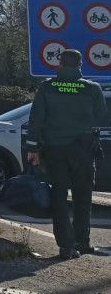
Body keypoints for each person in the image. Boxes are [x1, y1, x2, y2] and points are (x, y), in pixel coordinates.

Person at [27, 49, 106, 260]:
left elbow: (36, 119)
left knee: (59, 197)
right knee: (83, 195)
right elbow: (100, 115)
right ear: (81, 65)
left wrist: (32, 149)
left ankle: (66, 246)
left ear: (59, 65)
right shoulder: (92, 88)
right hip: (83, 150)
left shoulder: (47, 87)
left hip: (55, 150)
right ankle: (83, 241)